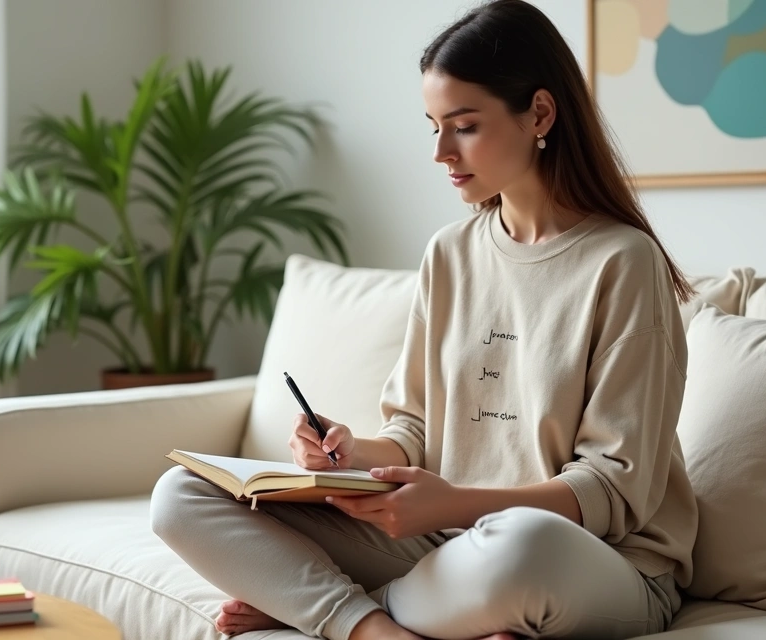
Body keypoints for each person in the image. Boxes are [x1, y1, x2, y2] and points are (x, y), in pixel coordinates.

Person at [150, 1, 698, 638]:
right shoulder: (450, 253)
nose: (441, 151)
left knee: (521, 545)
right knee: (180, 495)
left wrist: (456, 504)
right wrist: (352, 452)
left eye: (463, 126)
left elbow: (614, 491)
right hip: (444, 547)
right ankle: (377, 627)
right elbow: (412, 430)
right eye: (433, 126)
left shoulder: (623, 262)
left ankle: (326, 606)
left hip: (595, 561)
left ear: (540, 114)